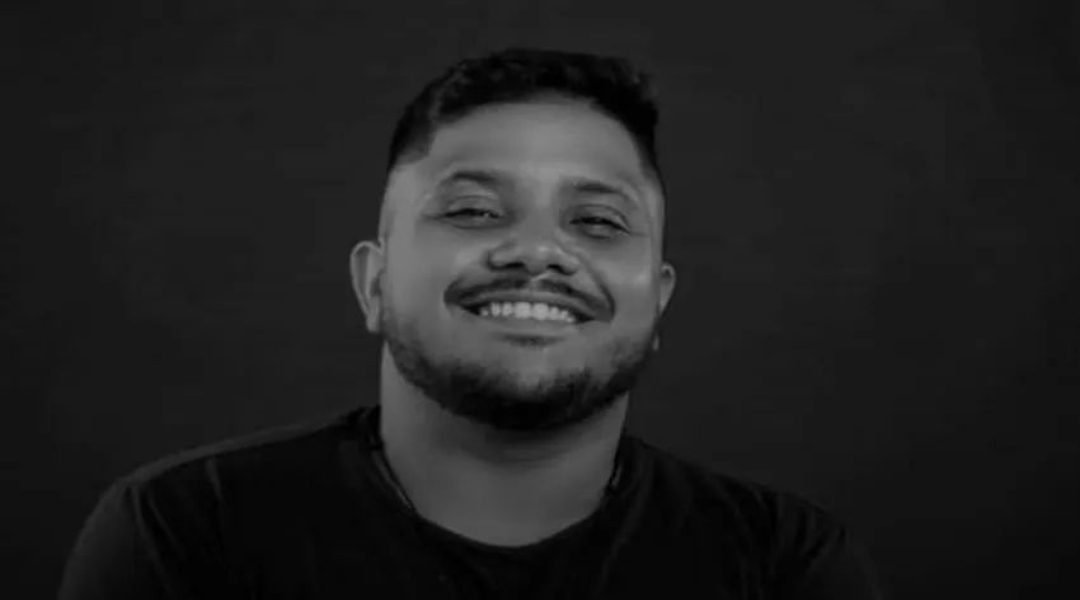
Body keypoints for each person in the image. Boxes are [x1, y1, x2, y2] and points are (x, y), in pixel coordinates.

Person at [59, 47, 883, 599]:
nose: (537, 251)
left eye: (597, 222)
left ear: (657, 301)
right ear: (373, 283)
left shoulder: (783, 564)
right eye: (473, 210)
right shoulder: (183, 533)